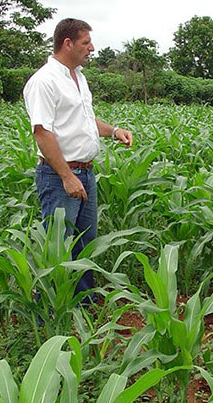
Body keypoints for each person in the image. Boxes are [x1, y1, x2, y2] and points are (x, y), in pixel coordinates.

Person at [23, 18, 133, 298]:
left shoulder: (79, 77)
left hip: (85, 172)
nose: (92, 48)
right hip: (60, 176)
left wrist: (114, 131)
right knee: (58, 246)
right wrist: (66, 176)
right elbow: (42, 132)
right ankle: (49, 312)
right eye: (86, 42)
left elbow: (84, 120)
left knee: (85, 243)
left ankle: (84, 302)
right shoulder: (44, 81)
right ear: (67, 43)